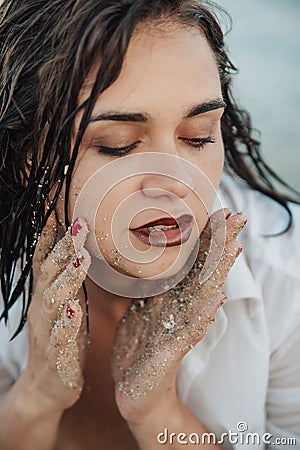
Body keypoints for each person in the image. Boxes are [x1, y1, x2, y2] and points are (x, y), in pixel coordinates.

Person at [0, 1, 299, 449]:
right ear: (25, 157)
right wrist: (36, 395)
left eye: (198, 136)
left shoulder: (287, 279)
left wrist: (158, 411)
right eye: (117, 146)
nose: (177, 182)